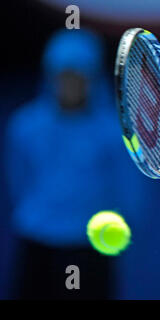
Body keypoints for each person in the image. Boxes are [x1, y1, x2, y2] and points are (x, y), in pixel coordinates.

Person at [4, 29, 147, 299]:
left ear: (92, 78)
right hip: (37, 244)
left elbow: (130, 192)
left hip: (91, 250)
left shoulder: (114, 132)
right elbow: (18, 180)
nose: (70, 84)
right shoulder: (24, 125)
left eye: (78, 76)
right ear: (50, 77)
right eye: (63, 76)